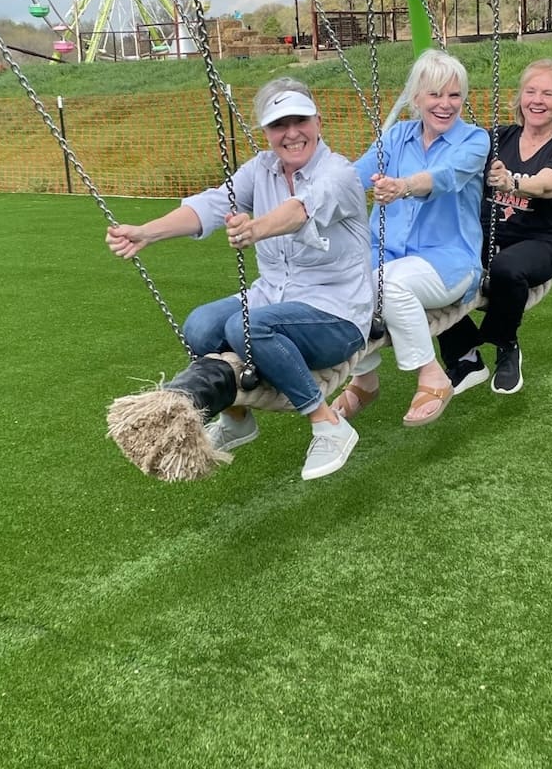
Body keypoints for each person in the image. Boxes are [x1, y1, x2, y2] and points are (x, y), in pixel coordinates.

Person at [105, 78, 374, 481]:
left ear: (318, 121)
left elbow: (302, 210)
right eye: (278, 126)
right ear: (266, 133)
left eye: (300, 120)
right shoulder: (260, 170)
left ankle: (328, 424)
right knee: (200, 325)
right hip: (274, 298)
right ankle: (237, 418)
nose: (291, 133)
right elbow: (212, 205)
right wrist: (147, 232)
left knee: (247, 326)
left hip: (336, 313)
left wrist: (257, 229)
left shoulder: (339, 173)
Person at [332, 49, 489, 427]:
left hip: (448, 260)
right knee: (336, 283)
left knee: (386, 285)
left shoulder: (475, 140)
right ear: (416, 98)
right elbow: (353, 177)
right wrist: (310, 190)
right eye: (435, 94)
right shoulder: (397, 136)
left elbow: (446, 176)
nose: (445, 104)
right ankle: (365, 377)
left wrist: (403, 186)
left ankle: (432, 373)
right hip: (383, 252)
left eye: (454, 95)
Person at [438, 58, 552, 396]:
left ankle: (505, 344)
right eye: (530, 91)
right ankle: (464, 353)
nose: (537, 100)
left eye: (548, 93)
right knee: (432, 263)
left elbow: (549, 184)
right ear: (520, 97)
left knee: (506, 268)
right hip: (485, 235)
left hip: (539, 241)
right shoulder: (497, 137)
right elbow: (456, 153)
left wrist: (512, 183)